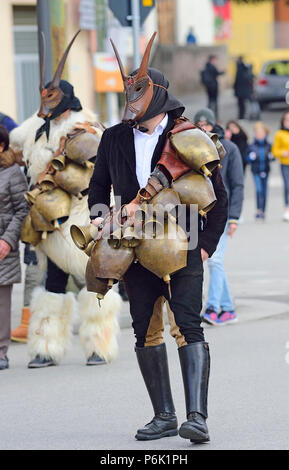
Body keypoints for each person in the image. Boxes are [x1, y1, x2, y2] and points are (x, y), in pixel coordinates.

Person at [88, 34, 228, 443]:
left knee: (187, 326)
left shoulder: (186, 136)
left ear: (156, 98)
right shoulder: (113, 137)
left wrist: (206, 246)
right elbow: (98, 188)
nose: (131, 106)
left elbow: (218, 194)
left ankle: (196, 417)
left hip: (184, 240)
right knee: (144, 329)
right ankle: (164, 416)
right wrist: (100, 221)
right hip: (133, 246)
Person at [10, 31, 121, 369]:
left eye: (52, 95)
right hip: (46, 220)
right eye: (44, 96)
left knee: (91, 277)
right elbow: (16, 140)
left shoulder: (83, 126)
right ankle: (46, 347)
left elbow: (96, 168)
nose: (46, 101)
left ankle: (99, 346)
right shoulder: (38, 126)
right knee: (53, 283)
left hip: (78, 217)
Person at [194, 108, 244, 326]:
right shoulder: (194, 146)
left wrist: (234, 217)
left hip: (222, 213)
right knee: (216, 261)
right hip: (202, 213)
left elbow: (238, 184)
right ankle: (229, 309)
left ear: (214, 125)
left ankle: (213, 307)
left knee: (214, 260)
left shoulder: (230, 148)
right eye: (200, 124)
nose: (204, 128)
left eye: (207, 124)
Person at [0, 125, 28, 370]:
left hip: (2, 244)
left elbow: (22, 210)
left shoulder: (12, 173)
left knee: (1, 303)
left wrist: (7, 241)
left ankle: (1, 352)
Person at [247, 122, 273, 220]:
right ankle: (258, 210)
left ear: (265, 133)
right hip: (256, 171)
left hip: (266, 171)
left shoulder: (268, 145)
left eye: (261, 132)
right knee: (259, 190)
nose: (259, 134)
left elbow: (272, 156)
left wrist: (271, 157)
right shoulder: (252, 145)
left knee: (265, 191)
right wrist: (250, 157)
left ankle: (263, 211)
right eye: (257, 132)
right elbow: (247, 159)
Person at [272, 110, 289, 222]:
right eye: (287, 120)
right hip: (285, 164)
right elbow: (274, 151)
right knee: (288, 186)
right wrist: (282, 152)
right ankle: (287, 209)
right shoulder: (279, 134)